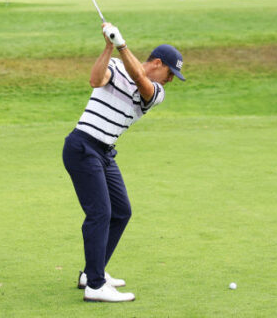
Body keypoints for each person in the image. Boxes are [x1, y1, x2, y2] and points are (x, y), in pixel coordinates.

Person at [62, 22, 185, 303]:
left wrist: (122, 44)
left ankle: (92, 272)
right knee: (100, 213)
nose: (171, 80)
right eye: (171, 73)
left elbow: (141, 81)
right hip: (82, 145)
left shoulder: (155, 92)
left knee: (121, 211)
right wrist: (109, 47)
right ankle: (94, 285)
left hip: (104, 152)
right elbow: (95, 80)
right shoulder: (116, 65)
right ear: (157, 62)